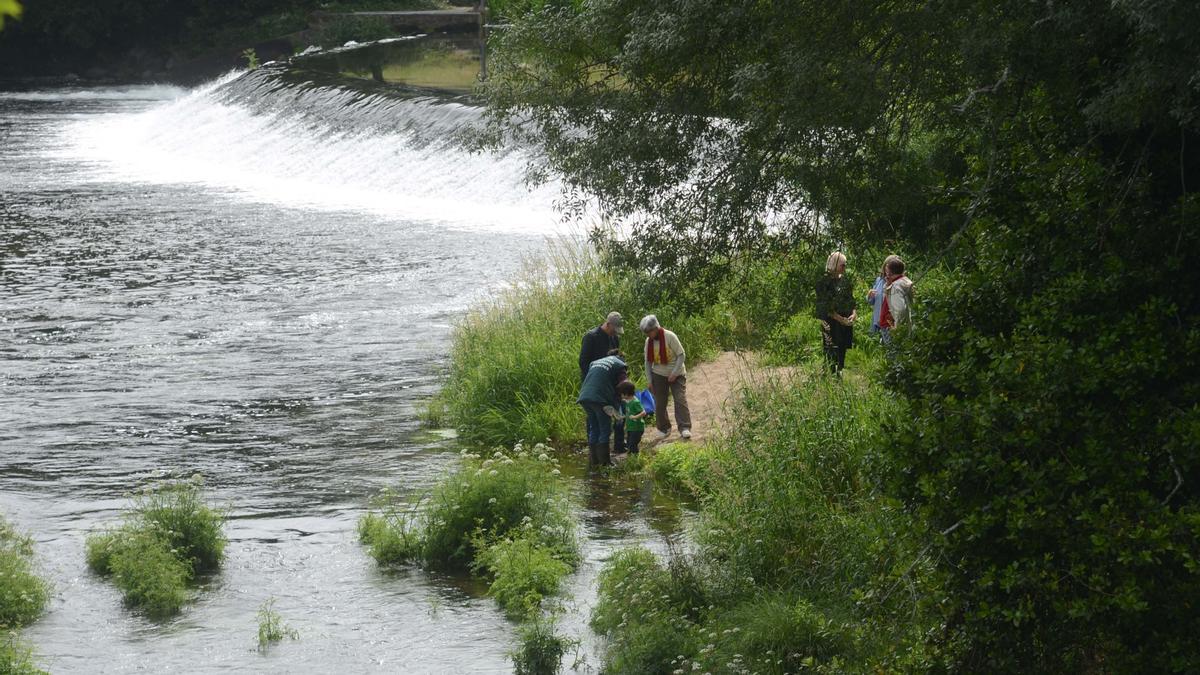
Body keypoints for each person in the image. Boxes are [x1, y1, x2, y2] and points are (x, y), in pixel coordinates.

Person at [579, 311, 625, 454]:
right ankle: (595, 453)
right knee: (595, 417)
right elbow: (583, 362)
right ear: (608, 324)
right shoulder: (591, 337)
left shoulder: (614, 338)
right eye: (614, 329)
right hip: (593, 384)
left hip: (611, 383)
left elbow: (616, 359)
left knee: (618, 410)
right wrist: (595, 380)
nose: (614, 333)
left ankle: (618, 445)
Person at [639, 314, 691, 439]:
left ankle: (684, 427)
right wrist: (650, 380)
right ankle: (664, 428)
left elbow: (681, 355)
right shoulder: (648, 341)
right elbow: (648, 362)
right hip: (658, 374)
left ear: (656, 328)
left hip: (677, 373)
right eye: (646, 332)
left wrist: (674, 373)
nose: (648, 335)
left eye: (649, 331)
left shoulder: (670, 336)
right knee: (659, 402)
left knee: (680, 399)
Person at [576, 354, 627, 466]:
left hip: (585, 397)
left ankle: (594, 462)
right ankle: (605, 463)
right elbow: (624, 385)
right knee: (604, 429)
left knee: (594, 427)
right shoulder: (620, 365)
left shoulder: (595, 362)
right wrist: (621, 402)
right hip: (600, 399)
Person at [814, 251, 857, 374]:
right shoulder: (823, 282)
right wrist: (839, 318)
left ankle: (840, 371)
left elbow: (851, 299)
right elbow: (824, 305)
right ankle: (830, 373)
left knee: (843, 345)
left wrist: (854, 313)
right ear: (834, 264)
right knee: (831, 347)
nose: (845, 268)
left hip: (845, 319)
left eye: (845, 265)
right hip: (830, 320)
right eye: (842, 265)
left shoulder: (845, 281)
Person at [879, 257, 913, 342]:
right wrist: (888, 284)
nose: (885, 274)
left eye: (886, 271)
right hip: (904, 325)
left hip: (892, 326)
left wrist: (897, 328)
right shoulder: (905, 281)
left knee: (893, 353)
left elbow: (900, 310)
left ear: (890, 272)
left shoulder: (896, 286)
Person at [866, 255, 901, 334]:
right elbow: (871, 301)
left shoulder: (899, 282)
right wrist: (869, 295)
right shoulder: (879, 280)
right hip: (877, 322)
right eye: (887, 266)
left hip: (891, 324)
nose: (887, 270)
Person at [616, 380, 647, 455]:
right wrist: (623, 417)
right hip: (631, 428)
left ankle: (634, 460)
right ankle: (632, 459)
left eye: (621, 394)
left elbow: (644, 412)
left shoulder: (635, 402)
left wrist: (635, 417)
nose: (621, 396)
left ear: (626, 394)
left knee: (632, 445)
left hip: (637, 428)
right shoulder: (628, 401)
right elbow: (629, 413)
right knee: (629, 443)